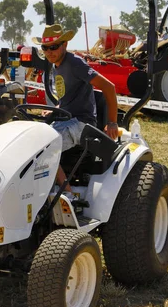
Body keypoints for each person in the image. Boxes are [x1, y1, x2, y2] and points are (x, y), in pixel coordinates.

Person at [32, 24, 118, 199]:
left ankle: (67, 196)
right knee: (32, 141)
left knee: (46, 148)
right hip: (65, 119)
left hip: (81, 122)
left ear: (64, 44)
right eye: (45, 48)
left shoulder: (74, 63)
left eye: (54, 46)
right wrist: (56, 109)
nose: (49, 51)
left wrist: (112, 122)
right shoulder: (57, 66)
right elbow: (68, 98)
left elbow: (109, 87)